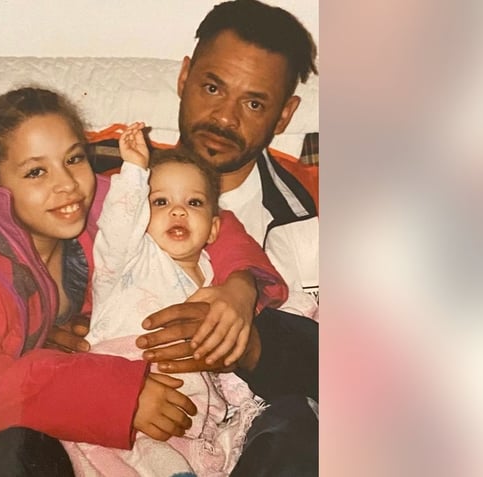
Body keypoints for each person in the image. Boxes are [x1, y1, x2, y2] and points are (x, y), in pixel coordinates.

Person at [0, 87, 288, 477]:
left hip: (71, 432)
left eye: (73, 159)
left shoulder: (91, 205)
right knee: (9, 451)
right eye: (36, 171)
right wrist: (118, 395)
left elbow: (202, 216)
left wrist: (239, 287)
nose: (67, 184)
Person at [50, 2, 321, 475]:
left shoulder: (316, 210)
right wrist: (46, 336)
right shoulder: (101, 198)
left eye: (254, 103)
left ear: (284, 115)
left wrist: (249, 319)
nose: (224, 117)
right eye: (212, 87)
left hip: (253, 437)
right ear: (184, 78)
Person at [61, 123, 281, 475]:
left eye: (193, 202)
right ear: (142, 218)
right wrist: (134, 170)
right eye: (161, 202)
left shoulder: (213, 276)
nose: (178, 211)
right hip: (128, 392)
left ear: (212, 228)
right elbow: (118, 227)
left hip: (188, 415)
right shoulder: (131, 257)